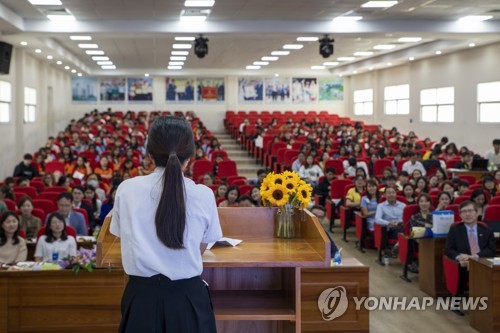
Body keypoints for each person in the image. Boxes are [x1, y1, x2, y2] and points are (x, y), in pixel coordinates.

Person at [110, 116, 221, 332]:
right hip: (187, 298)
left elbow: (124, 237)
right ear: (190, 155)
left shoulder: (127, 189)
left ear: (150, 153)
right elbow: (201, 247)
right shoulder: (204, 194)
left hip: (141, 298)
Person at [445, 200, 496, 295]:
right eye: (464, 212)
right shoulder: (455, 229)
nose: (467, 214)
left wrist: (474, 256)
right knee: (461, 268)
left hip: (481, 262)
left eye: (470, 211)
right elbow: (449, 249)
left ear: (477, 213)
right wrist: (459, 257)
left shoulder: (487, 230)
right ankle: (456, 302)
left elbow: (491, 250)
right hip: (463, 263)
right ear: (460, 215)